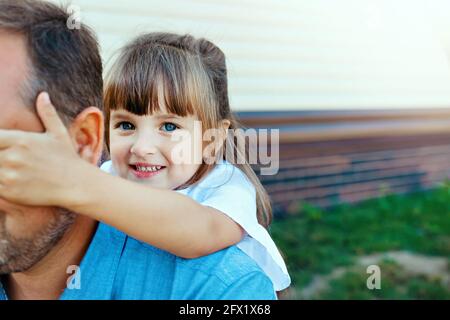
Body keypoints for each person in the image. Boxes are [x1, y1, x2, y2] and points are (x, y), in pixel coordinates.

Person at [0, 0, 276, 300]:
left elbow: (201, 232)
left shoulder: (225, 188)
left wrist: (73, 180)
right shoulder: (108, 175)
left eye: (169, 127)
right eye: (126, 126)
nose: (142, 147)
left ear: (210, 140)